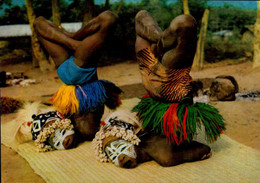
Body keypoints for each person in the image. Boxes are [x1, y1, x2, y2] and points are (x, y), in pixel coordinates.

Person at [130, 10, 226, 167]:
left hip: (158, 76)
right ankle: (161, 43)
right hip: (167, 84)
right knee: (183, 22)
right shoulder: (166, 154)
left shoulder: (160, 149)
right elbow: (203, 148)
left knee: (142, 16)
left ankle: (161, 43)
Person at [33, 11, 122, 141]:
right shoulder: (90, 126)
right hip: (81, 68)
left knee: (38, 22)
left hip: (66, 68)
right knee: (110, 18)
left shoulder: (74, 123)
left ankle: (71, 40)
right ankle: (72, 39)